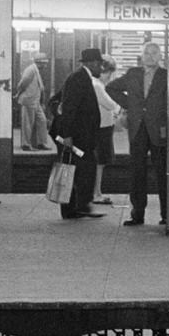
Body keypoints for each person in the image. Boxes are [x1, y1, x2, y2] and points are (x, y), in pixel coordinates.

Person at [112, 42, 169, 226]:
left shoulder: (166, 76)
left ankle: (167, 214)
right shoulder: (133, 74)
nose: (150, 56)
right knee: (137, 172)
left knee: (163, 171)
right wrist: (132, 105)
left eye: (154, 53)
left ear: (160, 56)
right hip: (137, 129)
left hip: (158, 130)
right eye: (146, 52)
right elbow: (111, 88)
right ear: (141, 55)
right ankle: (137, 214)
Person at [51, 48, 106, 220]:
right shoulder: (78, 79)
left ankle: (71, 209)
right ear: (93, 63)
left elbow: (59, 100)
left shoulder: (80, 78)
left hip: (79, 135)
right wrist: (67, 135)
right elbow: (69, 107)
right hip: (76, 136)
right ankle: (81, 206)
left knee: (75, 170)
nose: (101, 69)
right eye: (100, 65)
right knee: (84, 170)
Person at [92, 56, 122, 207]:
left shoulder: (97, 84)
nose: (109, 77)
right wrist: (120, 107)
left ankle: (96, 192)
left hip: (103, 127)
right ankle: (96, 193)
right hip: (101, 129)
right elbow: (110, 104)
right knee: (99, 162)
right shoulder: (97, 85)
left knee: (100, 163)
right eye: (108, 73)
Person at [15, 54, 49, 150]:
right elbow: (22, 83)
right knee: (28, 123)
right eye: (44, 63)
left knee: (42, 121)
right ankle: (26, 144)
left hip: (35, 101)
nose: (45, 66)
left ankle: (41, 143)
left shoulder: (35, 70)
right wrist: (18, 93)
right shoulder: (30, 70)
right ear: (40, 62)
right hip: (28, 100)